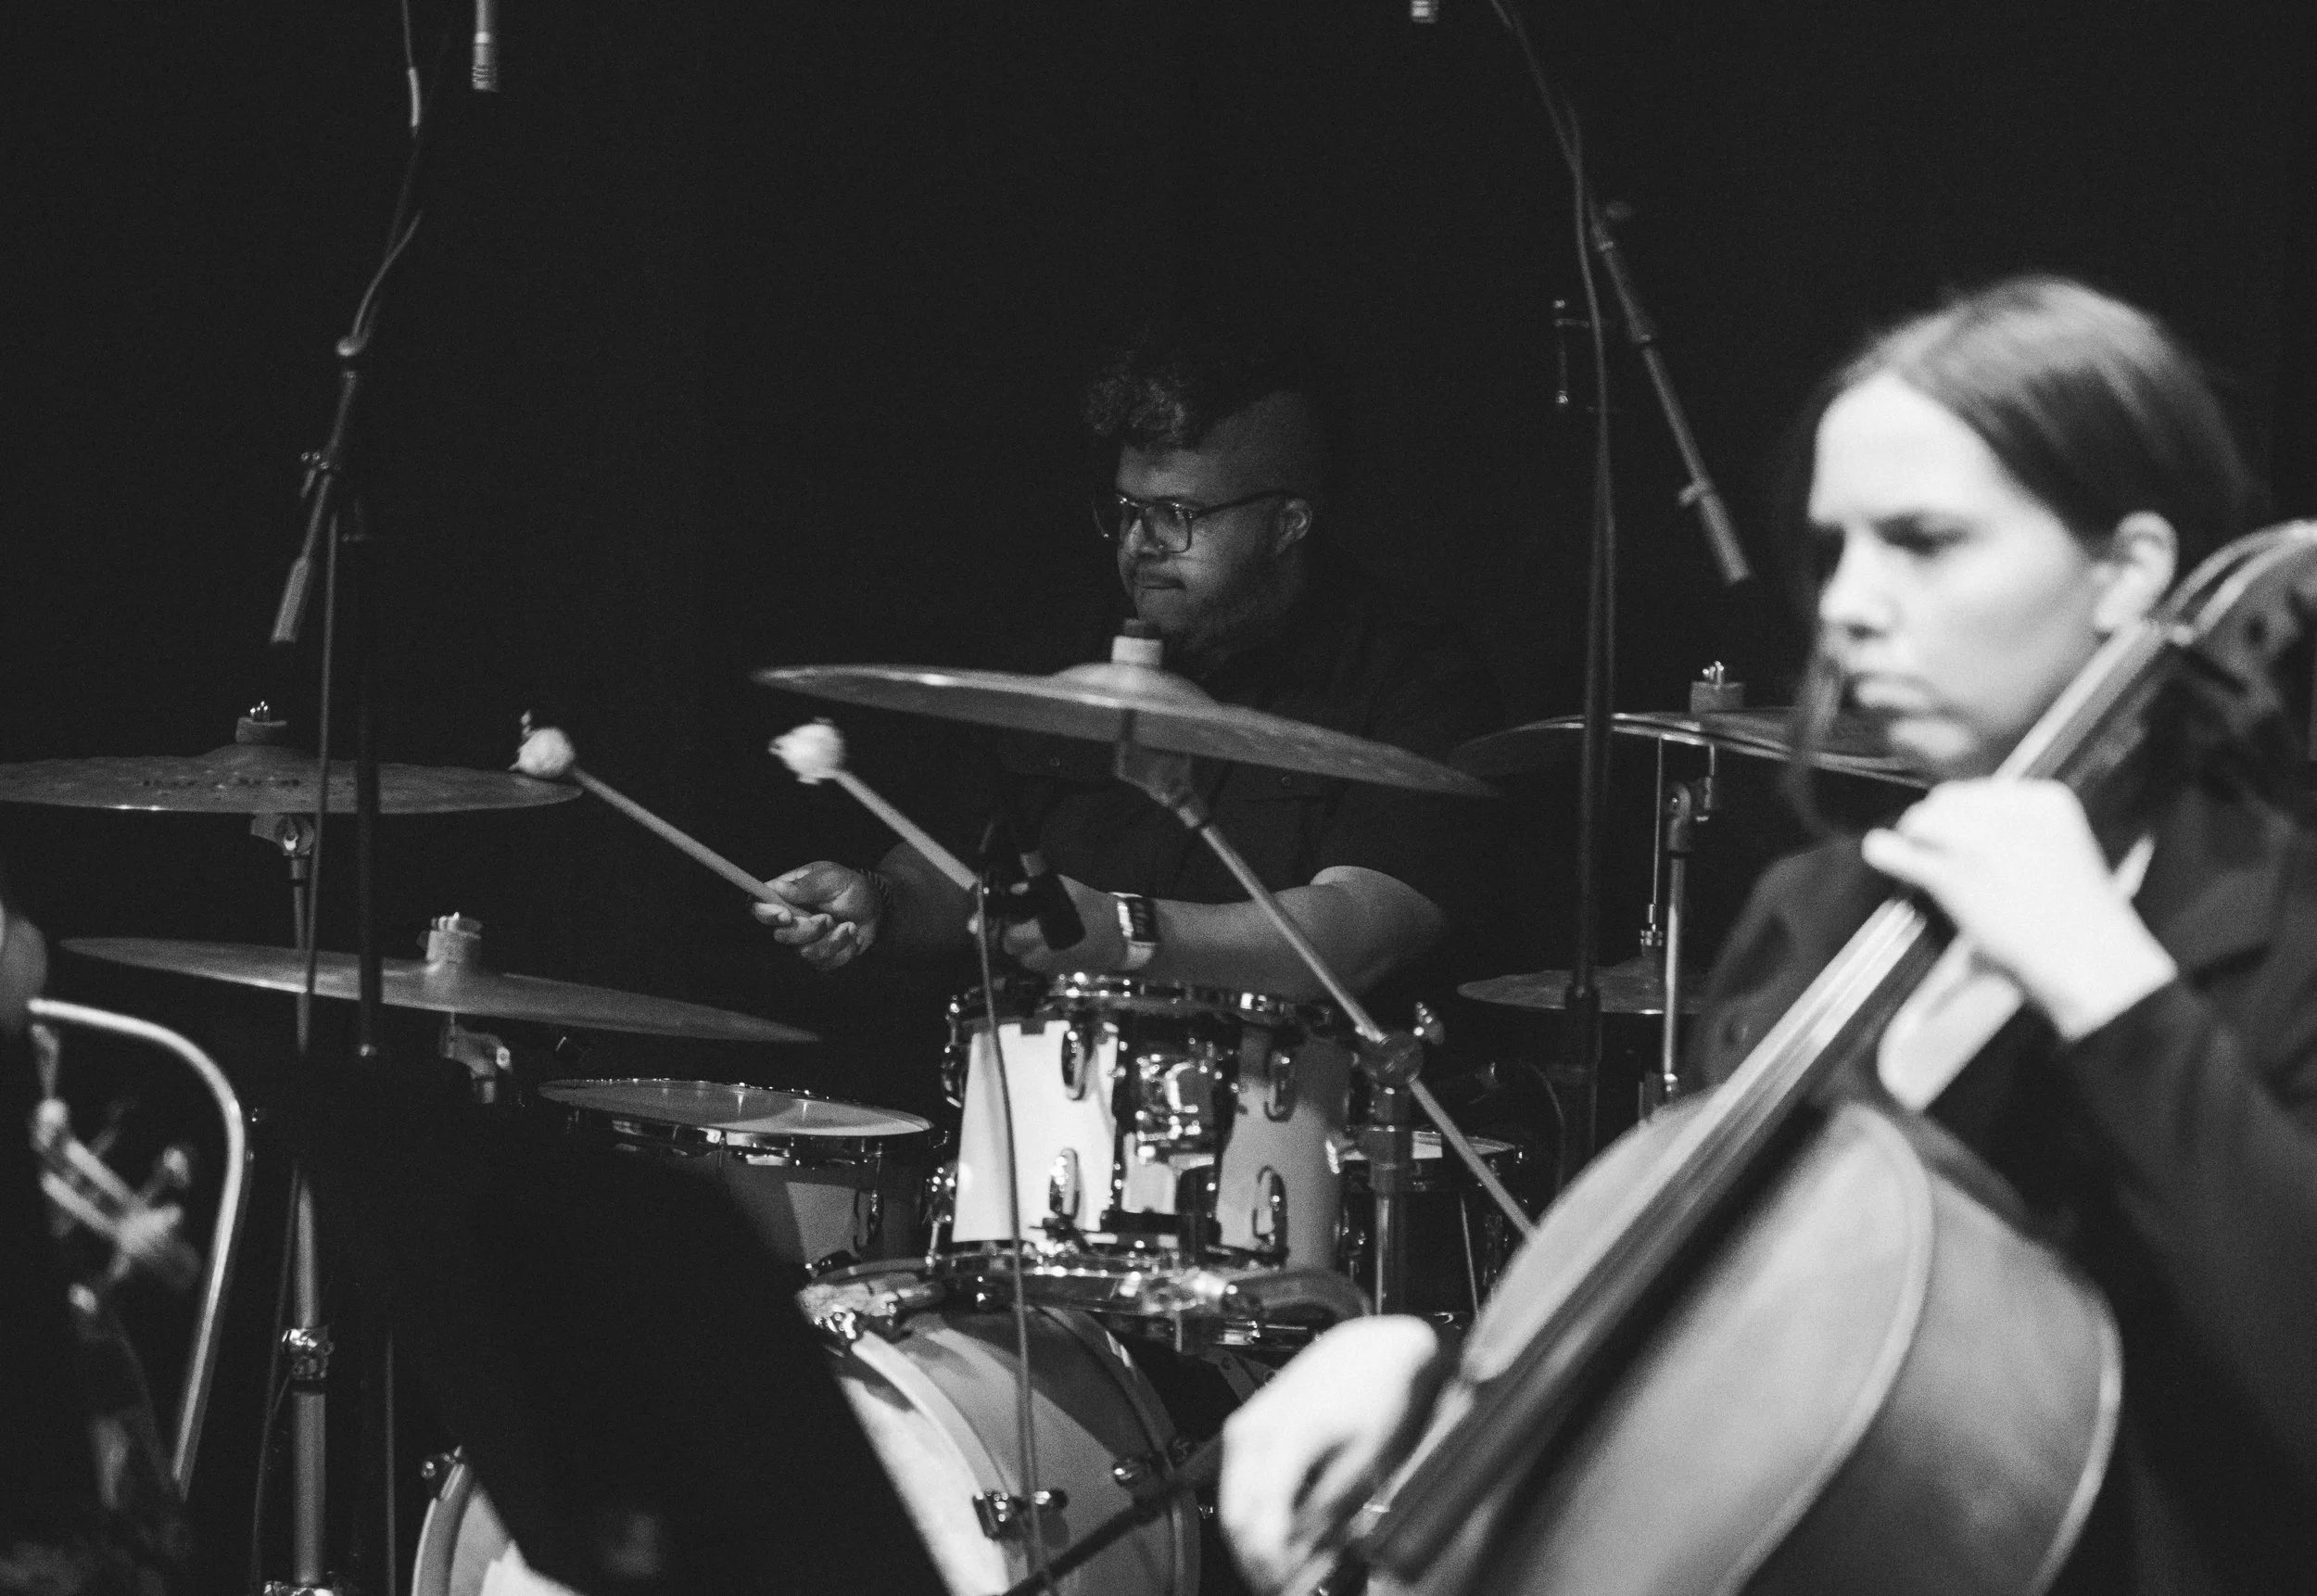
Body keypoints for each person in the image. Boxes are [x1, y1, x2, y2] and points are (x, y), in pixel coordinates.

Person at [1219, 276, 2317, 1595]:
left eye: (1923, 540)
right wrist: (1434, 1380)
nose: (1848, 604)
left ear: (2128, 569)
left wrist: (2114, 994)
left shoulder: (2279, 932)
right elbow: (1708, 1360)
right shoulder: (1819, 914)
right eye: (1835, 548)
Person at [756, 316, 1503, 1007]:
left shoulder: (1410, 675)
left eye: (1178, 515)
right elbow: (957, 871)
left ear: (1287, 523)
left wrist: (1129, 935)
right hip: (1048, 1082)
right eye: (1127, 511)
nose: (1140, 543)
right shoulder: (1063, 645)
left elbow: (1361, 932)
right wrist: (882, 901)